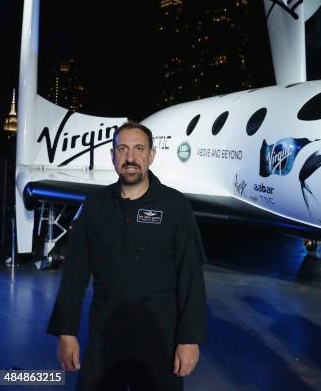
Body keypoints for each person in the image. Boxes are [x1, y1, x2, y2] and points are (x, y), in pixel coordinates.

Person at [47, 122, 207, 390]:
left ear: (151, 155)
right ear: (112, 156)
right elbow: (74, 274)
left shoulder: (175, 206)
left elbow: (191, 276)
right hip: (104, 338)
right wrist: (66, 332)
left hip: (160, 339)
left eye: (138, 149)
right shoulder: (94, 206)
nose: (130, 158)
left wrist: (189, 339)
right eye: (122, 149)